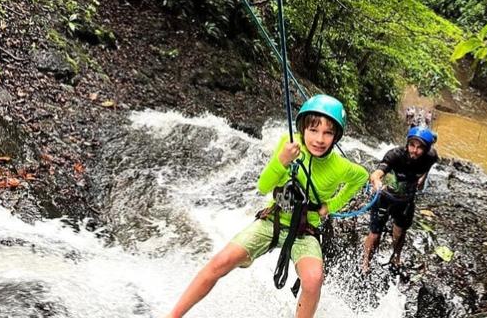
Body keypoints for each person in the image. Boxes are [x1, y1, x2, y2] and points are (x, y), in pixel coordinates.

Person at [163, 94, 368, 318]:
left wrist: (330, 206)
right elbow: (264, 186)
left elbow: (361, 177)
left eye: (328, 133)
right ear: (302, 129)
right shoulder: (288, 144)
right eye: (313, 130)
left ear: (336, 136)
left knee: (313, 279)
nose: (319, 139)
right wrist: (282, 160)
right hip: (273, 219)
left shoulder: (340, 166)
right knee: (220, 262)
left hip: (305, 230)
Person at [362, 126, 438, 273]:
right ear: (407, 144)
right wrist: (376, 180)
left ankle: (396, 257)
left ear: (426, 149)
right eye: (412, 145)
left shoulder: (431, 157)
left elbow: (428, 167)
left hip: (405, 201)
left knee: (400, 231)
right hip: (384, 197)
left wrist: (422, 178)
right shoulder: (395, 155)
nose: (414, 150)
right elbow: (379, 171)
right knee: (375, 233)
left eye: (419, 148)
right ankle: (366, 262)